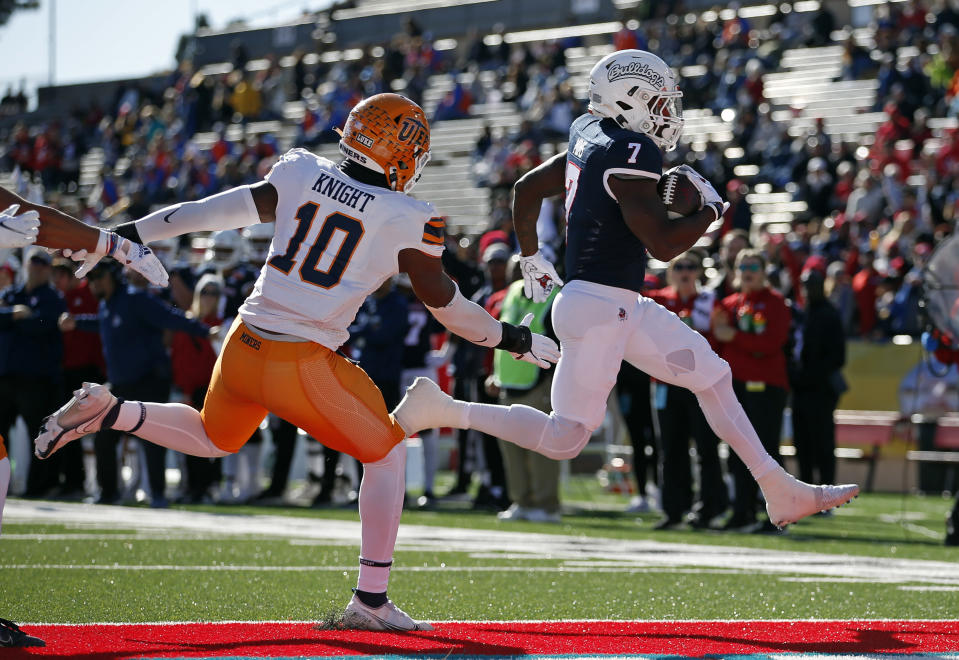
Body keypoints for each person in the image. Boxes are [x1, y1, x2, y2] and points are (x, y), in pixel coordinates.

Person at [33, 93, 558, 631]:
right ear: (400, 152)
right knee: (387, 454)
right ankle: (371, 600)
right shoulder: (408, 216)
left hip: (243, 341)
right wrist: (514, 337)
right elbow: (448, 308)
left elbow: (212, 211)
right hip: (300, 358)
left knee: (216, 437)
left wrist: (122, 236)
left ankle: (109, 412)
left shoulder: (302, 170)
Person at [393, 49, 859, 530]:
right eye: (658, 104)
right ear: (627, 100)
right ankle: (441, 407)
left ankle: (777, 488)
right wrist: (711, 213)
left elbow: (526, 190)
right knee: (564, 437)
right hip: (600, 308)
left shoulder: (588, 131)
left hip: (616, 305)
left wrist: (532, 255)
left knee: (714, 377)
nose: (666, 116)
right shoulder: (632, 151)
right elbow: (660, 244)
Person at [61, 259, 212, 507]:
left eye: (100, 277)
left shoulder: (135, 298)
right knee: (104, 438)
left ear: (112, 276)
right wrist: (77, 322)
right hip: (122, 385)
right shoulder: (107, 304)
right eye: (92, 279)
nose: (95, 283)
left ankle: (158, 495)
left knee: (153, 440)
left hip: (149, 382)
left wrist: (204, 331)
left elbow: (169, 317)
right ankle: (108, 493)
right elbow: (103, 324)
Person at [712, 249, 792, 531]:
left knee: (767, 451)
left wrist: (735, 336)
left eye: (754, 266)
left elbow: (772, 343)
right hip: (734, 388)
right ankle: (741, 512)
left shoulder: (776, 303)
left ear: (764, 270)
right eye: (742, 265)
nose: (747, 271)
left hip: (767, 388)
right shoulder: (729, 304)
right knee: (737, 452)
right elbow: (716, 346)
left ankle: (778, 516)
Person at [648, 251, 728, 530]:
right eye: (679, 266)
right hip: (666, 385)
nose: (685, 271)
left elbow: (722, 340)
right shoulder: (657, 301)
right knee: (670, 449)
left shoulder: (710, 302)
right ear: (670, 271)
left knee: (706, 447)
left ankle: (709, 508)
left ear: (699, 271)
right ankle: (673, 509)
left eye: (690, 267)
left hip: (700, 385)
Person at [0, 247, 66, 497]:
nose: (37, 267)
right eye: (33, 262)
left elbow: (42, 325)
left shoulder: (53, 297)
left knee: (38, 437)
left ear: (48, 269)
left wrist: (13, 319)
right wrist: (14, 314)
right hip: (6, 377)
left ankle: (39, 487)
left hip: (36, 379)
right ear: (26, 265)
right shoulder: (12, 293)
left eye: (42, 264)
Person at [790, 267, 847, 488]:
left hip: (821, 390)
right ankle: (806, 490)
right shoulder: (802, 314)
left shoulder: (829, 314)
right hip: (801, 389)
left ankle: (827, 491)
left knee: (822, 442)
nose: (808, 290)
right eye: (805, 285)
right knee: (802, 443)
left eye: (812, 285)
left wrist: (807, 376)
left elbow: (837, 357)